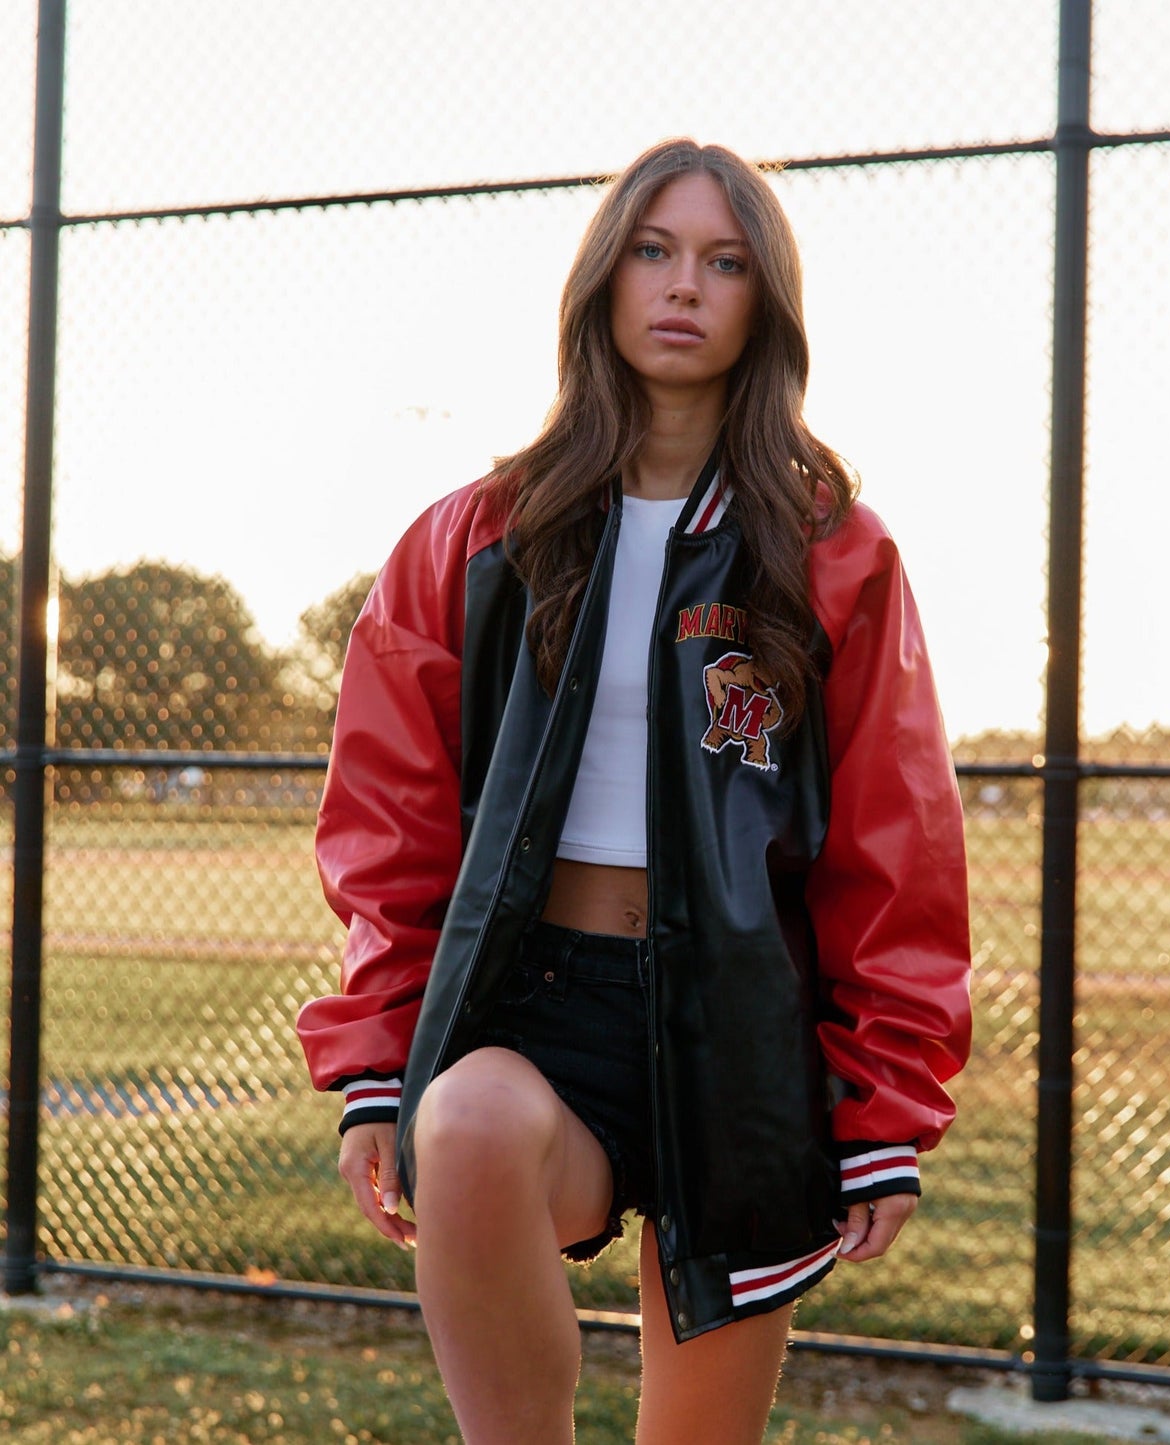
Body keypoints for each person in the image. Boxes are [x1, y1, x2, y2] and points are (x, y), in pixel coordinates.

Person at [296, 137, 971, 1445]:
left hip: (741, 1020)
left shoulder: (828, 548)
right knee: (472, 1120)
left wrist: (883, 1108)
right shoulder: (474, 537)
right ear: (602, 280)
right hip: (542, 1002)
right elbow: (392, 829)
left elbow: (897, 848)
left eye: (723, 262)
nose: (684, 286)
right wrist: (379, 1061)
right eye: (655, 251)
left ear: (763, 304)